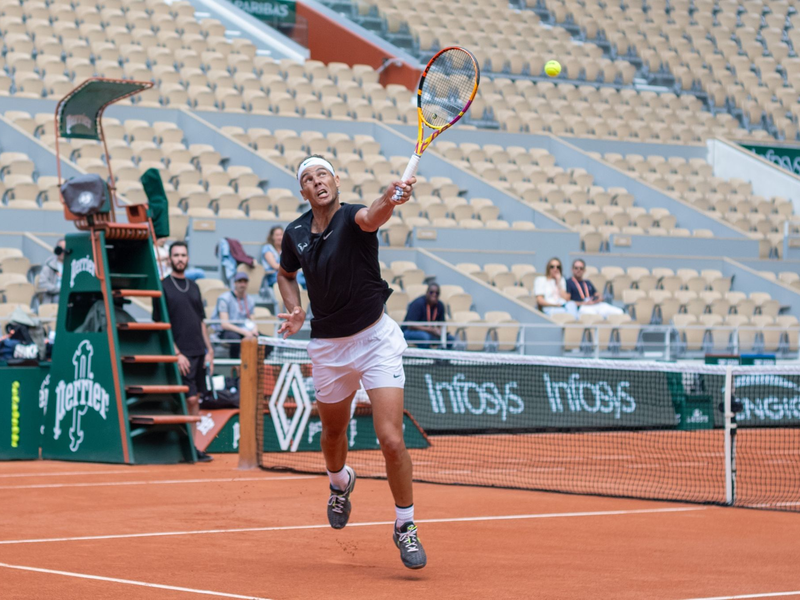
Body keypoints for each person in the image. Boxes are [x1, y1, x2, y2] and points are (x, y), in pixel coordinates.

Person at [277, 154, 426, 570]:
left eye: (322, 173)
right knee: (332, 434)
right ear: (303, 191)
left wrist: (390, 198)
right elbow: (285, 274)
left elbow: (374, 215)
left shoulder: (352, 218)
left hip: (375, 339)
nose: (316, 181)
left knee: (391, 440)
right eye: (307, 178)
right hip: (329, 348)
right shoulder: (294, 234)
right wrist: (295, 309)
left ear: (335, 181)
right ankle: (340, 484)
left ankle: (405, 525)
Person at [153, 241, 214, 463]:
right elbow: (161, 323)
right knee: (188, 400)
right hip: (181, 355)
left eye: (183, 255)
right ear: (169, 259)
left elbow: (201, 322)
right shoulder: (163, 286)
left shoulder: (194, 286)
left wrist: (209, 350)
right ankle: (184, 447)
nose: (180, 258)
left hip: (199, 352)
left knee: (195, 400)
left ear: (188, 258)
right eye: (176, 255)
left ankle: (194, 448)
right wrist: (176, 353)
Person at [213, 271, 257, 359]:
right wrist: (245, 332)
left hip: (245, 329)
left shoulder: (250, 299)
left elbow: (252, 319)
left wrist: (254, 330)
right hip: (227, 331)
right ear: (235, 283)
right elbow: (224, 324)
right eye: (240, 281)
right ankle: (235, 367)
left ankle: (255, 366)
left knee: (265, 342)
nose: (242, 284)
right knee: (235, 340)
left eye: (245, 282)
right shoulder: (224, 298)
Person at [402, 283, 454, 349]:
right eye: (431, 292)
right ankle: (425, 358)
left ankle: (441, 358)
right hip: (408, 332)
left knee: (450, 339)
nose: (434, 295)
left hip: (428, 332)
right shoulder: (418, 303)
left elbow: (442, 324)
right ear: (426, 293)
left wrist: (440, 331)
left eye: (437, 293)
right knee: (425, 337)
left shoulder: (440, 305)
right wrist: (431, 330)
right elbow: (411, 325)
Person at [39, 239, 65, 305]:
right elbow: (43, 283)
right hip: (53, 297)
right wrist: (59, 289)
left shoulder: (73, 265)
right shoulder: (49, 266)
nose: (62, 252)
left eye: (65, 249)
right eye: (60, 249)